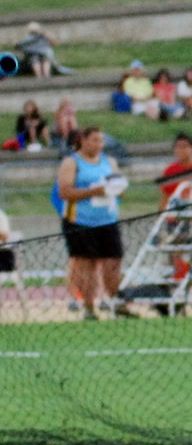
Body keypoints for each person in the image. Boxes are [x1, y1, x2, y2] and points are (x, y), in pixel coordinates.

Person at [57, 125, 125, 321]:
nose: (98, 144)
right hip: (81, 221)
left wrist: (117, 188)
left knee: (113, 261)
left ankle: (114, 302)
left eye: (101, 140)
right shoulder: (72, 163)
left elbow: (118, 186)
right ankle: (89, 306)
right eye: (94, 140)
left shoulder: (109, 162)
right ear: (83, 140)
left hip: (108, 219)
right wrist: (94, 191)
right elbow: (65, 192)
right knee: (86, 264)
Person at [157, 131, 192, 210]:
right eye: (177, 147)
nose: (180, 150)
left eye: (184, 147)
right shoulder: (170, 170)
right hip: (175, 213)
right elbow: (165, 197)